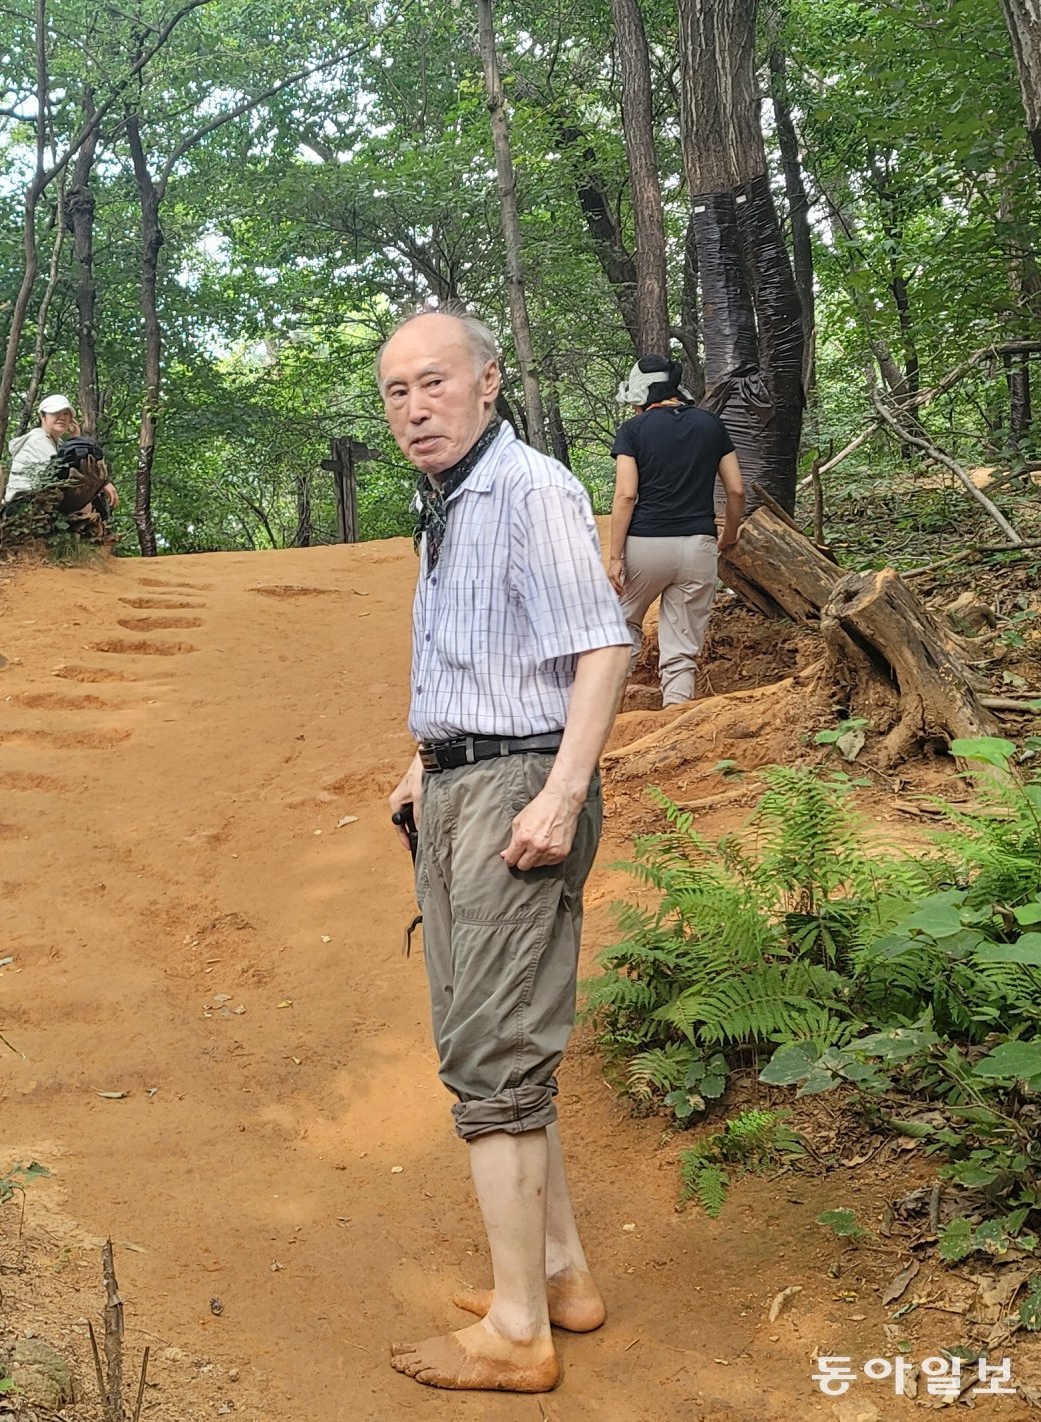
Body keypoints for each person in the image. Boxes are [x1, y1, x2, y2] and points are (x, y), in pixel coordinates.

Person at [382, 310, 631, 1394]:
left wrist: (563, 793)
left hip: (519, 792)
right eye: (395, 392)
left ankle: (520, 1330)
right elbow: (475, 653)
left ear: (489, 383)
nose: (413, 407)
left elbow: (602, 649)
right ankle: (560, 1275)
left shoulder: (530, 487)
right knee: (505, 1045)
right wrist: (422, 760)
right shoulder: (449, 499)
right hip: (461, 780)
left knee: (487, 1059)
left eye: (433, 383)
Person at [607, 356, 745, 706]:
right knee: (681, 649)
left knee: (624, 627)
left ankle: (604, 720)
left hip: (645, 546)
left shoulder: (633, 431)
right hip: (698, 545)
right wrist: (728, 535)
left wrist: (614, 557)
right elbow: (736, 490)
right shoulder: (710, 424)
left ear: (641, 394)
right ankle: (675, 728)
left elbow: (625, 495)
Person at [5, 394, 118, 516]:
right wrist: (104, 484)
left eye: (66, 414)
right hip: (23, 505)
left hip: (41, 501)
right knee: (83, 505)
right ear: (42, 416)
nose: (62, 417)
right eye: (55, 412)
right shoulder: (37, 439)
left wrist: (76, 437)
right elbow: (60, 476)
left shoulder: (58, 443)